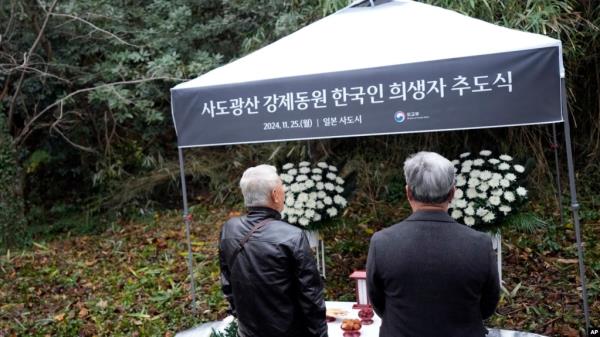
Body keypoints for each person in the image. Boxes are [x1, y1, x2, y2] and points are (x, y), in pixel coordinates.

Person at [366, 151, 500, 337]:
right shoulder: (479, 244)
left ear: (408, 192)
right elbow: (487, 307)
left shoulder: (382, 242)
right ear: (452, 193)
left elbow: (379, 303)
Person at [219, 164, 328, 337]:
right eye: (282, 188)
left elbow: (227, 283)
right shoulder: (292, 236)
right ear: (275, 195)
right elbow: (311, 296)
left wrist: (240, 317)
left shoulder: (229, 229)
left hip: (247, 331)